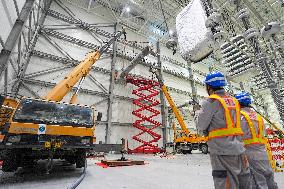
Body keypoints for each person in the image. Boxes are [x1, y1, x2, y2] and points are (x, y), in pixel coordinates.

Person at [195, 71, 251, 189]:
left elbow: (201, 125)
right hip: (239, 149)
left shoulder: (211, 101)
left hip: (222, 151)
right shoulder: (234, 101)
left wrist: (197, 113)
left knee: (224, 183)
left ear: (209, 87)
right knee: (243, 183)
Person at [235, 92, 278, 189]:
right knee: (269, 179)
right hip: (263, 152)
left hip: (249, 153)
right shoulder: (258, 117)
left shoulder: (240, 117)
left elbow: (237, 136)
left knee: (256, 182)